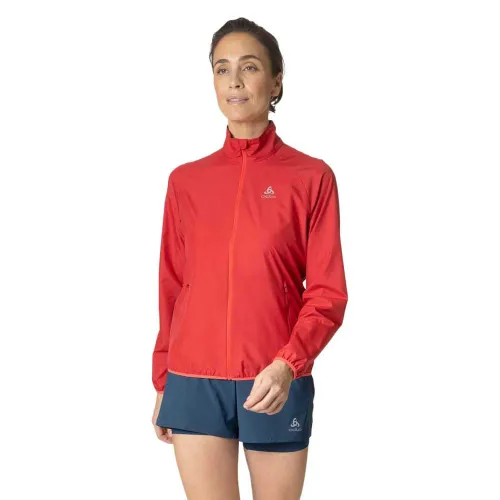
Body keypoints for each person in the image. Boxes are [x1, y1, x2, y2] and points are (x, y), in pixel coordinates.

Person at [151, 17, 348, 500]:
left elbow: (327, 294)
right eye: (222, 69)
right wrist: (163, 379)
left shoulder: (311, 177)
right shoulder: (185, 182)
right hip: (193, 379)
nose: (234, 81)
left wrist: (288, 363)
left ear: (276, 81)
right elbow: (172, 286)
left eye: (250, 67)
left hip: (274, 377)